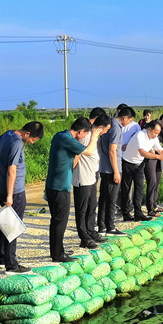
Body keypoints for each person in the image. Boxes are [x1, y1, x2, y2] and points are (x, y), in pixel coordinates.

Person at [46, 118, 103, 262]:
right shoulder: (67, 139)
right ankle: (58, 254)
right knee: (60, 221)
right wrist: (95, 136)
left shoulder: (59, 135)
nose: (85, 137)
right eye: (85, 134)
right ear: (80, 132)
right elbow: (89, 151)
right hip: (60, 187)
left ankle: (57, 251)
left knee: (56, 221)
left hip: (53, 185)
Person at [0, 121, 44, 274]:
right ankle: (12, 265)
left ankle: (3, 259)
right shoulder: (17, 142)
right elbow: (12, 170)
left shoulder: (8, 134)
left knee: (6, 223)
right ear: (27, 134)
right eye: (33, 140)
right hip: (14, 190)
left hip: (2, 184)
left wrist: (1, 161)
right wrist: (10, 195)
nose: (31, 142)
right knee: (13, 226)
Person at [72, 112, 111, 249]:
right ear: (100, 127)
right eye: (105, 130)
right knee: (82, 210)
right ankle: (84, 238)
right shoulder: (86, 137)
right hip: (82, 178)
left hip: (92, 177)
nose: (105, 133)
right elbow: (76, 155)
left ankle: (90, 231)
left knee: (92, 207)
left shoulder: (94, 137)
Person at [121, 120, 163, 221]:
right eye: (155, 133)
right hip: (128, 163)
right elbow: (143, 153)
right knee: (126, 190)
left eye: (158, 133)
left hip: (139, 165)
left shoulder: (154, 138)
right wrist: (158, 157)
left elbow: (160, 150)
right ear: (149, 129)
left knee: (139, 189)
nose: (156, 135)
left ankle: (138, 213)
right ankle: (126, 214)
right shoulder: (139, 135)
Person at [97, 106, 136, 236]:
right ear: (125, 118)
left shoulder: (108, 123)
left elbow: (99, 144)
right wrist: (116, 171)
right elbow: (112, 150)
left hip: (104, 167)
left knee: (103, 198)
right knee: (112, 199)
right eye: (129, 121)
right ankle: (111, 227)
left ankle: (102, 226)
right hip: (112, 168)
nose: (129, 123)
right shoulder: (116, 127)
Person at [144, 111, 163, 216]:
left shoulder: (162, 130)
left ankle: (154, 205)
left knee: (157, 181)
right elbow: (148, 143)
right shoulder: (152, 125)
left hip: (159, 157)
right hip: (151, 158)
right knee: (152, 182)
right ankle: (150, 208)